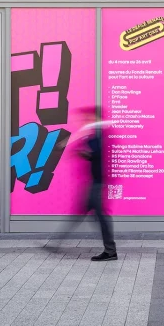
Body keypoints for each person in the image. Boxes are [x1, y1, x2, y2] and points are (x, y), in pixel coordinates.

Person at [48, 108, 117, 261]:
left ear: (96, 118)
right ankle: (56, 243)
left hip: (98, 183)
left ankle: (110, 251)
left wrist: (78, 151)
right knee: (81, 214)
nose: (85, 120)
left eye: (88, 117)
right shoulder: (96, 134)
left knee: (99, 217)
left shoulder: (100, 134)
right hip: (95, 182)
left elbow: (94, 153)